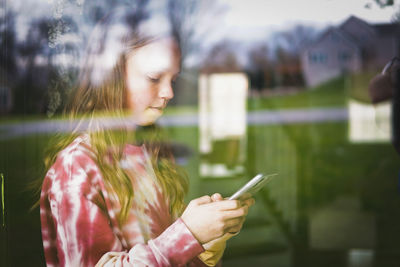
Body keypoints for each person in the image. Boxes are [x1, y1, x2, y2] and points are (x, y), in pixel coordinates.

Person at [39, 4, 254, 267]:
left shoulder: (152, 152)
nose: (169, 93)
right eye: (154, 78)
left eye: (172, 80)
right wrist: (188, 233)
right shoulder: (77, 168)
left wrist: (207, 241)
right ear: (110, 76)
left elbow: (174, 256)